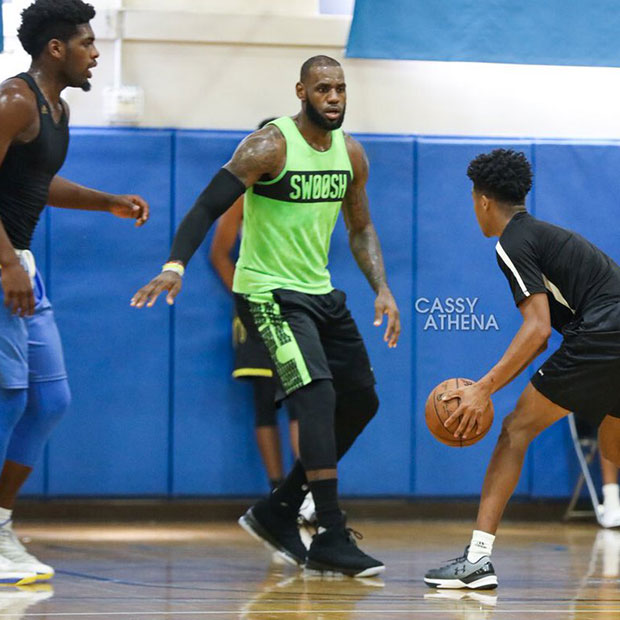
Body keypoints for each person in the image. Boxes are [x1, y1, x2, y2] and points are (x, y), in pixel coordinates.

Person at [132, 55, 400, 577]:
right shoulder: (269, 146)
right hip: (267, 295)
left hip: (320, 293)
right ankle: (328, 532)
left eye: (341, 89)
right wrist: (174, 265)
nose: (335, 97)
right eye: (323, 88)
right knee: (316, 396)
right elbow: (207, 207)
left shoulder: (351, 155)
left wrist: (382, 288)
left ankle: (279, 509)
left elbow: (361, 227)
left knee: (362, 400)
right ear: (301, 91)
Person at [0, 0, 149, 584]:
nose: (95, 53)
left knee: (50, 400)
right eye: (87, 43)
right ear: (55, 48)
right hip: (4, 264)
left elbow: (37, 182)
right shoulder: (14, 100)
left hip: (20, 265)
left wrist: (105, 200)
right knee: (10, 399)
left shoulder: (56, 109)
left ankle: (0, 523)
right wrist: (6, 260)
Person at [424, 148, 620, 589]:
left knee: (514, 430)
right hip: (611, 332)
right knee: (613, 447)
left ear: (482, 201)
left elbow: (538, 330)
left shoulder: (512, 242)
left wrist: (482, 389)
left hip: (604, 333)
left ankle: (476, 560)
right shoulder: (544, 235)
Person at [209, 118, 301, 493]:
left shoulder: (300, 194)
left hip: (296, 306)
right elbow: (219, 254)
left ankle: (304, 491)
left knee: (301, 397)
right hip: (257, 308)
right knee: (266, 400)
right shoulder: (242, 197)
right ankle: (278, 489)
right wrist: (247, 295)